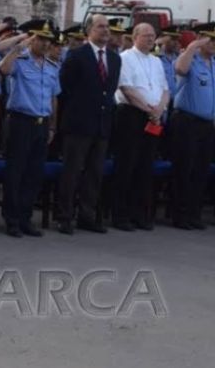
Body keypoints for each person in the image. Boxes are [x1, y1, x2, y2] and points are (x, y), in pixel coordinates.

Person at [56, 14, 121, 234]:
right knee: (72, 171)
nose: (106, 31)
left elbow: (109, 90)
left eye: (107, 27)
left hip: (102, 124)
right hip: (79, 123)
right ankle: (64, 216)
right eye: (101, 27)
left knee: (94, 172)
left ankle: (87, 215)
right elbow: (65, 88)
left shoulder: (114, 58)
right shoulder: (77, 55)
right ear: (89, 30)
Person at [0, 20, 61, 238]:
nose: (45, 44)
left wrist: (52, 125)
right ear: (32, 39)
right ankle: (12, 219)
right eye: (41, 39)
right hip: (21, 121)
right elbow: (4, 69)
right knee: (16, 171)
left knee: (34, 173)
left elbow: (54, 97)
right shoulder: (21, 61)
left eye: (48, 40)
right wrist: (18, 47)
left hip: (41, 122)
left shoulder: (52, 66)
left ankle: (25, 218)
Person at [111, 23, 169, 232]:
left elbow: (165, 89)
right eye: (146, 35)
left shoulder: (156, 61)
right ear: (135, 36)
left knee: (145, 167)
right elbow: (126, 88)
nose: (150, 39)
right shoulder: (125, 58)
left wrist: (159, 110)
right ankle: (120, 214)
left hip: (153, 117)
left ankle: (139, 214)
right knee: (128, 165)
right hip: (132, 115)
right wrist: (148, 109)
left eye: (153, 36)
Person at [170, 23, 215, 230]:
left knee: (200, 170)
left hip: (207, 124)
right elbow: (180, 68)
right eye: (210, 39)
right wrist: (192, 47)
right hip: (187, 121)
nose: (213, 44)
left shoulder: (213, 63)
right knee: (185, 169)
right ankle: (180, 215)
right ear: (201, 39)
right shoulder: (191, 58)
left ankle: (194, 214)